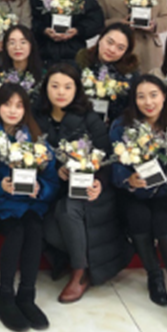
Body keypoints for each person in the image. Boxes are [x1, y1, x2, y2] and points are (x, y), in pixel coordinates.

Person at [0, 83, 59, 332]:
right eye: (7, 104)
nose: (13, 110)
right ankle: (4, 298)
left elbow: (52, 180)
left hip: (29, 203)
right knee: (16, 231)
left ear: (26, 109)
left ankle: (27, 296)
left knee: (34, 229)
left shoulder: (36, 140)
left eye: (19, 105)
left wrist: (41, 188)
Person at [36, 63, 131, 303]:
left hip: (88, 191)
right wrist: (54, 170)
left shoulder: (89, 118)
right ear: (45, 88)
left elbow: (107, 159)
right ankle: (69, 257)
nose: (61, 92)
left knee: (69, 211)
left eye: (68, 87)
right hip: (53, 188)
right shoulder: (36, 118)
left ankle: (80, 272)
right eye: (55, 86)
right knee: (46, 226)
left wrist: (99, 182)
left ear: (76, 89)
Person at [110, 74, 167, 332]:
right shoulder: (121, 125)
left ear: (164, 97)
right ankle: (154, 276)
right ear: (134, 100)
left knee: (161, 221)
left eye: (154, 95)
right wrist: (128, 180)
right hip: (133, 193)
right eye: (141, 96)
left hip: (163, 194)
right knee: (138, 217)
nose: (148, 102)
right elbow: (115, 166)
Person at [75, 22, 139, 124]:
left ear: (126, 52)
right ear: (100, 39)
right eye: (109, 42)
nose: (112, 50)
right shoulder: (80, 63)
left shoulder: (130, 74)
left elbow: (131, 109)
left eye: (120, 48)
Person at [0, 25, 43, 115]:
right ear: (6, 47)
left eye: (23, 42)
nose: (17, 47)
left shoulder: (43, 77)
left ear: (31, 45)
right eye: (12, 43)